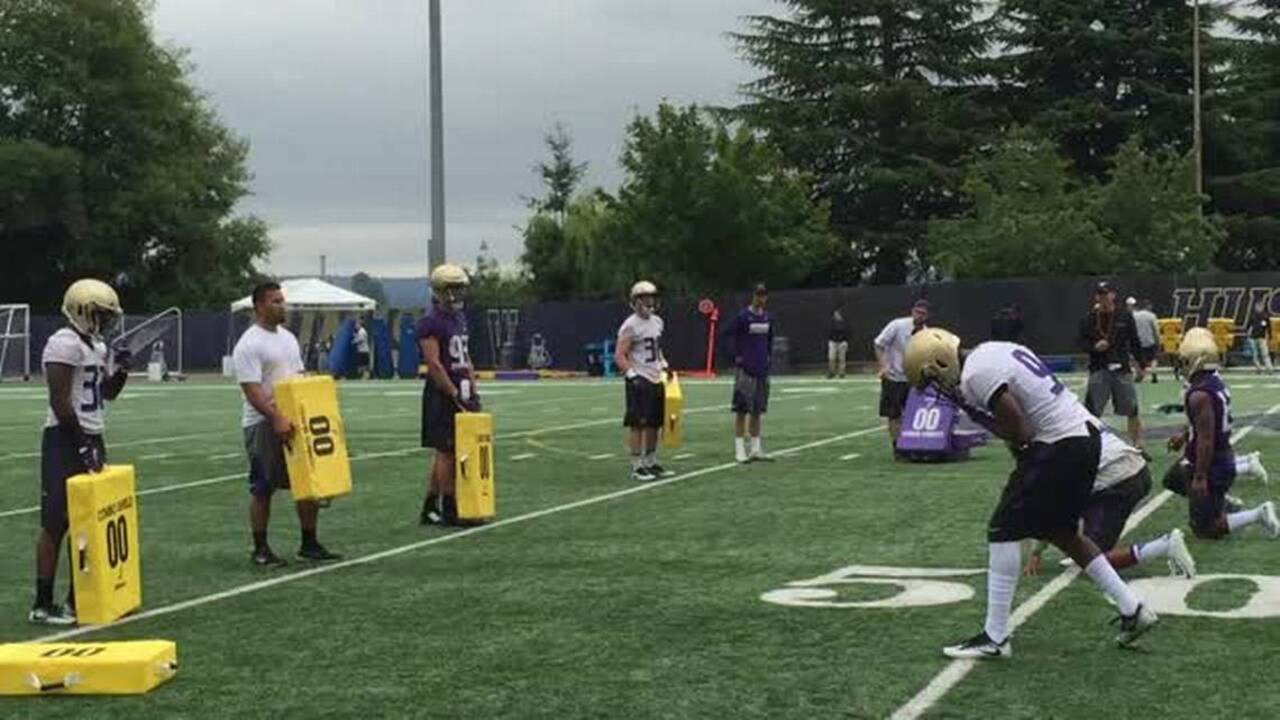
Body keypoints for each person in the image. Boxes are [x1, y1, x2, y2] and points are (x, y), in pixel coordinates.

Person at [906, 328, 1158, 659]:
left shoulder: (976, 374)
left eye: (932, 379)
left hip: (1060, 444)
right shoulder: (992, 349)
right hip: (1085, 437)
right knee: (1061, 532)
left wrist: (986, 420)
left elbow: (1020, 431)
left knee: (1002, 528)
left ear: (939, 362)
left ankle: (995, 637)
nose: (939, 388)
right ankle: (1133, 608)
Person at [30, 279, 129, 625]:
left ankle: (77, 599)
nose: (106, 321)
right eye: (101, 314)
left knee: (86, 521)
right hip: (65, 437)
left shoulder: (96, 345)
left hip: (92, 433)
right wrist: (82, 443)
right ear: (83, 311)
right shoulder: (63, 342)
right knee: (56, 521)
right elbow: (59, 400)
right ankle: (42, 603)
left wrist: (122, 371)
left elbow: (106, 393)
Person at [234, 281, 342, 565]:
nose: (283, 305)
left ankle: (309, 542)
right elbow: (252, 389)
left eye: (283, 300)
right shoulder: (249, 343)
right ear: (259, 305)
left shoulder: (288, 338)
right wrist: (276, 417)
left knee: (306, 482)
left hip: (294, 419)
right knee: (263, 486)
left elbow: (298, 377)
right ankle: (260, 548)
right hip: (263, 422)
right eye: (275, 301)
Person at [1025, 430, 1196, 578]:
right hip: (1131, 469)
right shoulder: (1068, 418)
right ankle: (1093, 538)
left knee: (1091, 561)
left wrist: (1036, 551)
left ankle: (1164, 546)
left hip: (1120, 480)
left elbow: (1050, 503)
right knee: (1076, 499)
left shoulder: (1049, 446)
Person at [1166, 328, 1278, 540]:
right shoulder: (1211, 383)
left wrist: (1200, 476)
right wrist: (1183, 435)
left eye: (1185, 359)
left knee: (1205, 529)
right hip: (1215, 456)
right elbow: (1202, 424)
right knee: (1173, 478)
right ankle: (1219, 503)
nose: (1182, 364)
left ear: (1197, 360)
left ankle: (1257, 514)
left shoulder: (1199, 394)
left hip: (1212, 462)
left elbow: (1206, 439)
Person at [418, 264, 480, 526]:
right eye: (452, 289)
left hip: (459, 384)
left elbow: (464, 357)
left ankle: (431, 506)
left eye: (459, 288)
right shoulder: (430, 322)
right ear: (440, 291)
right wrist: (453, 392)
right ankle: (450, 507)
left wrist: (472, 386)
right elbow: (433, 363)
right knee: (446, 451)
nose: (456, 295)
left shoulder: (458, 319)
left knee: (451, 449)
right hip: (442, 391)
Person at [616, 280, 670, 482]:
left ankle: (650, 461)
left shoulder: (657, 321)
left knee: (654, 423)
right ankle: (637, 466)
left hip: (656, 376)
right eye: (645, 298)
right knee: (638, 423)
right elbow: (620, 355)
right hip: (640, 377)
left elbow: (657, 349)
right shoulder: (630, 325)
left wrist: (664, 364)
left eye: (651, 297)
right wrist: (632, 376)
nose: (649, 301)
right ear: (635, 301)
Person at [1079, 282, 1144, 446]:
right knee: (1092, 409)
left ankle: (1137, 444)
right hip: (1099, 367)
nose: (1103, 297)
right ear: (1096, 297)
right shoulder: (1088, 319)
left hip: (1122, 368)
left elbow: (1134, 340)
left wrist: (1141, 364)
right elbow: (1080, 342)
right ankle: (1091, 445)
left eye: (1106, 294)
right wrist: (1094, 347)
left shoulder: (1124, 316)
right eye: (1100, 294)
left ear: (1113, 295)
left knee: (1132, 408)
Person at [724, 283, 774, 463]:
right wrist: (737, 357)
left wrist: (768, 357)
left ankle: (755, 448)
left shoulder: (768, 317)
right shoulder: (743, 317)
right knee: (742, 409)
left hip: (762, 369)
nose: (761, 298)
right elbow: (727, 334)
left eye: (764, 295)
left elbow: (769, 339)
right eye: (758, 295)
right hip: (746, 370)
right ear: (752, 296)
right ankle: (739, 449)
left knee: (757, 410)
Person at [874, 299, 929, 452]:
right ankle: (897, 446)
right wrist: (884, 366)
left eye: (923, 314)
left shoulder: (926, 333)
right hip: (893, 377)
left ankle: (910, 443)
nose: (919, 316)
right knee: (893, 414)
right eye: (917, 312)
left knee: (913, 413)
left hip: (912, 378)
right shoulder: (897, 325)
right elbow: (879, 344)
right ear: (912, 311)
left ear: (927, 316)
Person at [1130, 298, 1161, 383]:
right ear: (1148, 306)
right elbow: (1156, 330)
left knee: (1137, 360)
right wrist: (1158, 341)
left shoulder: (1134, 316)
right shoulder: (1152, 316)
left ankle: (1139, 374)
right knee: (1153, 358)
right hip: (1150, 342)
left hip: (1138, 342)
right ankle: (1153, 372)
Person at [1247, 300, 1274, 374]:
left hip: (1262, 337)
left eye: (1260, 307)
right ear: (1255, 307)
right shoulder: (1252, 315)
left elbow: (1269, 327)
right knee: (1255, 354)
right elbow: (1249, 325)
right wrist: (1248, 334)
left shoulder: (1265, 316)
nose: (1258, 308)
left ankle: (1269, 369)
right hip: (1253, 337)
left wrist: (1270, 335)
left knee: (1265, 354)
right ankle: (1258, 369)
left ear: (1262, 307)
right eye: (1257, 307)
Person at [827, 309, 849, 379]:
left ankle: (841, 373)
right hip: (833, 342)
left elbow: (848, 332)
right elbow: (828, 331)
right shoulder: (831, 323)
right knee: (831, 358)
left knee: (842, 359)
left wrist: (845, 341)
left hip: (842, 342)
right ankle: (831, 372)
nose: (836, 315)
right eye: (835, 314)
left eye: (837, 314)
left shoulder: (845, 323)